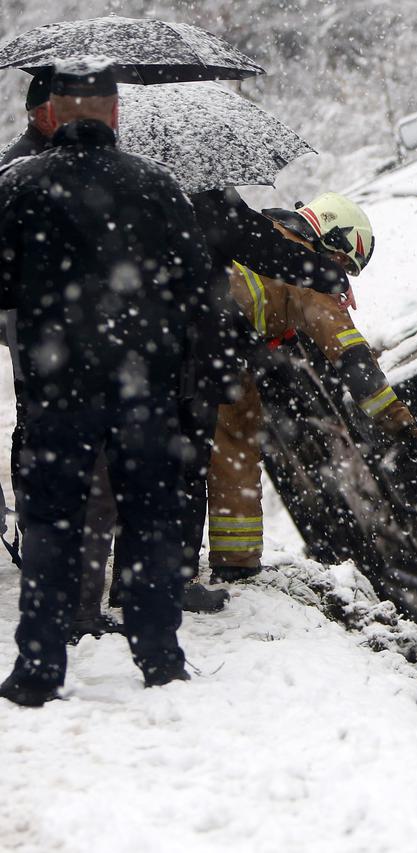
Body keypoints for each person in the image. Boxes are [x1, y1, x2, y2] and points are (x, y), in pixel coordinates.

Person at [1, 70, 355, 619]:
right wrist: (322, 274)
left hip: (96, 349)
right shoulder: (180, 187)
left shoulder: (73, 181)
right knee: (176, 463)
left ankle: (80, 587)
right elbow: (247, 242)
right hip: (179, 347)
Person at [0, 61, 211, 705]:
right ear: (116, 114)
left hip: (55, 391)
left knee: (51, 522)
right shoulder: (159, 187)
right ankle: (160, 656)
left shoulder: (16, 188)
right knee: (150, 519)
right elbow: (198, 291)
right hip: (142, 390)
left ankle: (39, 666)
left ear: (54, 114)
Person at [206, 192, 417, 582]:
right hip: (225, 364)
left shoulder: (259, 228)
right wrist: (403, 425)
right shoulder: (307, 275)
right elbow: (353, 360)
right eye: (343, 261)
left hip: (175, 347)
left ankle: (154, 568)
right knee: (236, 454)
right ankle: (236, 566)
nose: (340, 273)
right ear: (332, 237)